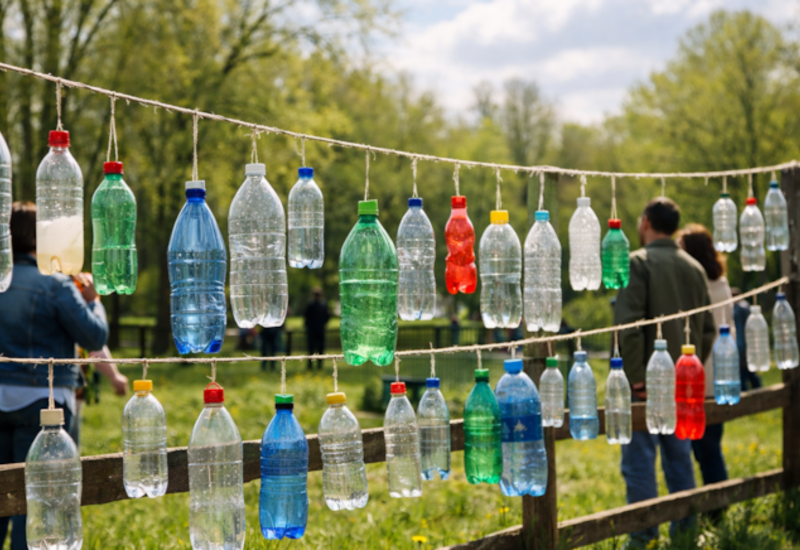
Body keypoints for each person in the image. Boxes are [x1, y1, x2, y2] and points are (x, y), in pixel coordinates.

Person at [0, 202, 109, 550]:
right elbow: (94, 337)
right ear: (42, 237)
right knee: (38, 500)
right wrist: (92, 300)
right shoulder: (56, 284)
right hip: (44, 404)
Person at [614, 198, 716, 547]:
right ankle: (686, 533)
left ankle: (643, 536)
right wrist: (689, 373)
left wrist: (636, 378)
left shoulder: (637, 263)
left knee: (639, 460)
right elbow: (707, 330)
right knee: (679, 459)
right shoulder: (695, 268)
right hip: (683, 385)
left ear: (645, 222)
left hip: (645, 384)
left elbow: (628, 326)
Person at [676, 224, 731, 522]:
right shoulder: (722, 283)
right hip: (720, 375)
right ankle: (716, 510)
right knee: (710, 448)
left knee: (704, 450)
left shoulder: (697, 285)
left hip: (699, 377)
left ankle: (715, 512)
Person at [731, 287, 762, 391]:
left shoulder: (739, 308)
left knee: (745, 374)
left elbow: (741, 330)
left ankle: (752, 392)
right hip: (746, 345)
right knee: (751, 373)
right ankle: (758, 391)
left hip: (742, 346)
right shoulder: (745, 306)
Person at [304, 288, 330, 370]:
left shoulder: (311, 305)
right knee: (318, 348)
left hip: (313, 330)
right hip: (319, 329)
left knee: (313, 348)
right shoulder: (322, 305)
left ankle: (313, 365)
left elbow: (306, 317)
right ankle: (318, 365)